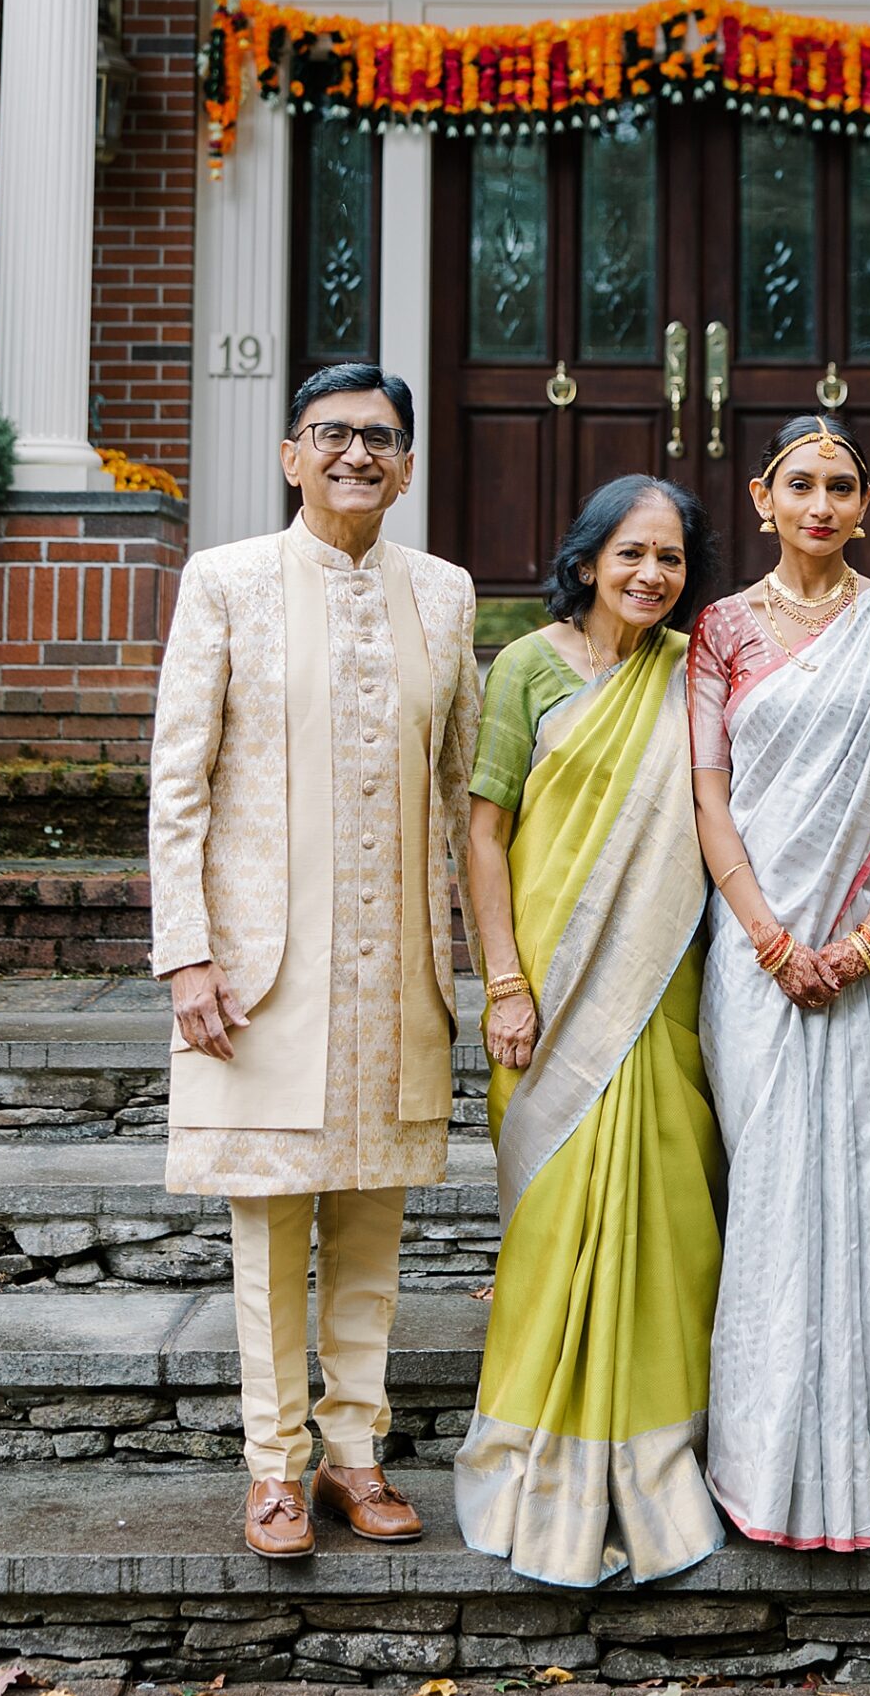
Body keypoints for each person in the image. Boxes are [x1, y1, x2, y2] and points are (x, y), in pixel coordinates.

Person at [149, 364, 479, 1559]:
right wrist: (187, 954)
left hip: (394, 969)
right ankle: (273, 1469)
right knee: (269, 1230)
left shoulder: (443, 593)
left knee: (373, 1229)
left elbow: (466, 789)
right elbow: (178, 780)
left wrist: (494, 962)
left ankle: (355, 1455)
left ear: (408, 465)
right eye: (331, 433)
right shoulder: (226, 579)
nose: (357, 453)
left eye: (381, 438)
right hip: (258, 973)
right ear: (292, 454)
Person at [689, 412, 870, 1551]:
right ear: (762, 498)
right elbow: (710, 792)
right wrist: (768, 938)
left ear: (865, 506)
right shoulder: (719, 628)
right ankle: (761, 1463)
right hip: (757, 948)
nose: (819, 503)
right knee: (771, 1192)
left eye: (839, 486)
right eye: (798, 483)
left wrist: (869, 938)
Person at [454, 476, 725, 1588]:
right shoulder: (527, 666)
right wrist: (504, 983)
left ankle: (660, 1441)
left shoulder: (696, 669)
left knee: (669, 1206)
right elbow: (483, 833)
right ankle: (534, 1452)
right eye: (631, 554)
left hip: (658, 979)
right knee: (553, 1217)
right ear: (585, 562)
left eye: (670, 558)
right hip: (550, 984)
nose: (651, 575)